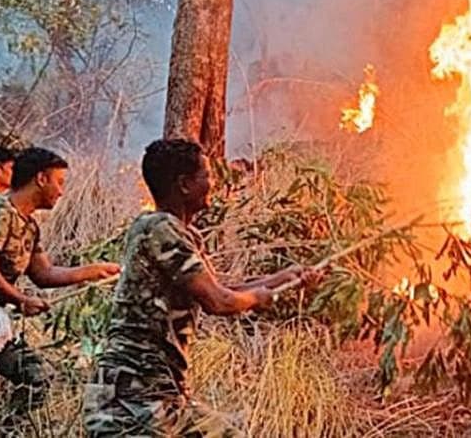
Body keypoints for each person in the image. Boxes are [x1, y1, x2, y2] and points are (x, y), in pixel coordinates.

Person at [84, 139, 319, 437]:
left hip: (160, 391)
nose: (213, 182)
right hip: (131, 397)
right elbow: (218, 301)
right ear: (184, 184)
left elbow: (218, 288)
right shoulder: (159, 229)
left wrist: (283, 278)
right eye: (206, 175)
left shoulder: (182, 233)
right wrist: (260, 297)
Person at [0, 147, 121, 410]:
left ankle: (8, 430)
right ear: (41, 179)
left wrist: (92, 271)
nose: (61, 192)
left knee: (38, 377)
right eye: (59, 182)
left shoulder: (28, 226)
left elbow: (43, 273)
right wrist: (20, 300)